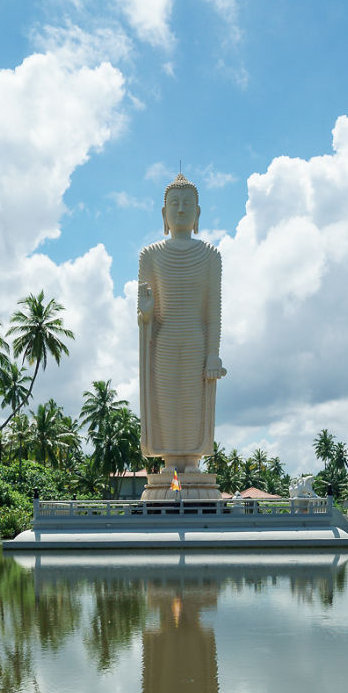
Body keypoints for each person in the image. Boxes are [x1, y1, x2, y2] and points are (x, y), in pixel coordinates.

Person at [138, 175, 225, 472]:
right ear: (164, 214)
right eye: (174, 204)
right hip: (163, 339)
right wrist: (146, 314)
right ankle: (170, 462)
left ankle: (191, 462)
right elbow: (146, 310)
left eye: (188, 203)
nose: (180, 209)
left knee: (192, 406)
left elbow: (213, 311)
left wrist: (213, 353)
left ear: (198, 213)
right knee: (166, 404)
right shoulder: (150, 256)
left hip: (196, 342)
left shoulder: (211, 256)